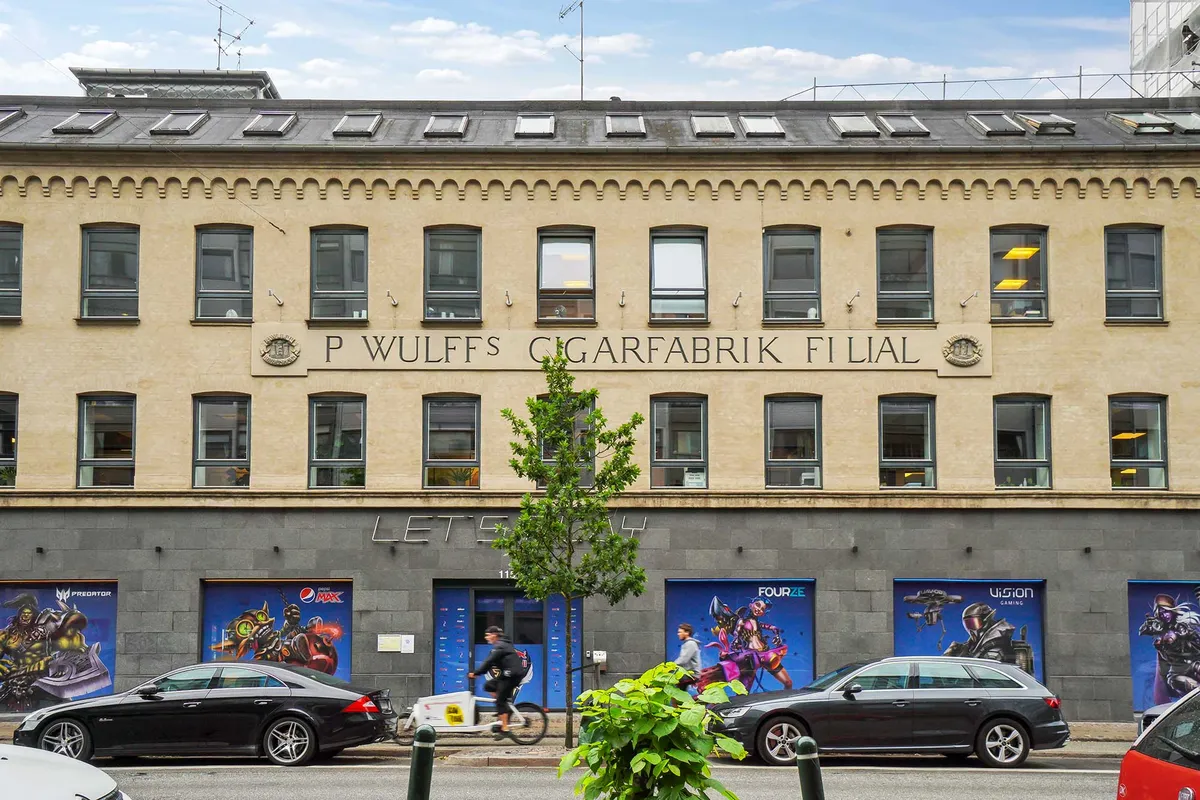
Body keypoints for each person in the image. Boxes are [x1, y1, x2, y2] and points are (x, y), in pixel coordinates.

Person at [467, 625, 523, 739]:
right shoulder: (501, 645)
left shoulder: (500, 646)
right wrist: (480, 672)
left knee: (500, 701)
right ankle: (503, 710)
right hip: (506, 674)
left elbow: (489, 661)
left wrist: (476, 673)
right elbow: (491, 663)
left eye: (488, 635)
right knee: (488, 686)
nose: (486, 637)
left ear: (494, 635)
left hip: (512, 676)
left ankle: (505, 728)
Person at [673, 623, 702, 687]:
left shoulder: (690, 644)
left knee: (671, 681)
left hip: (691, 674)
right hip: (687, 672)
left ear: (687, 633)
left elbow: (683, 660)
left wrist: (670, 665)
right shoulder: (688, 643)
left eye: (680, 632)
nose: (678, 634)